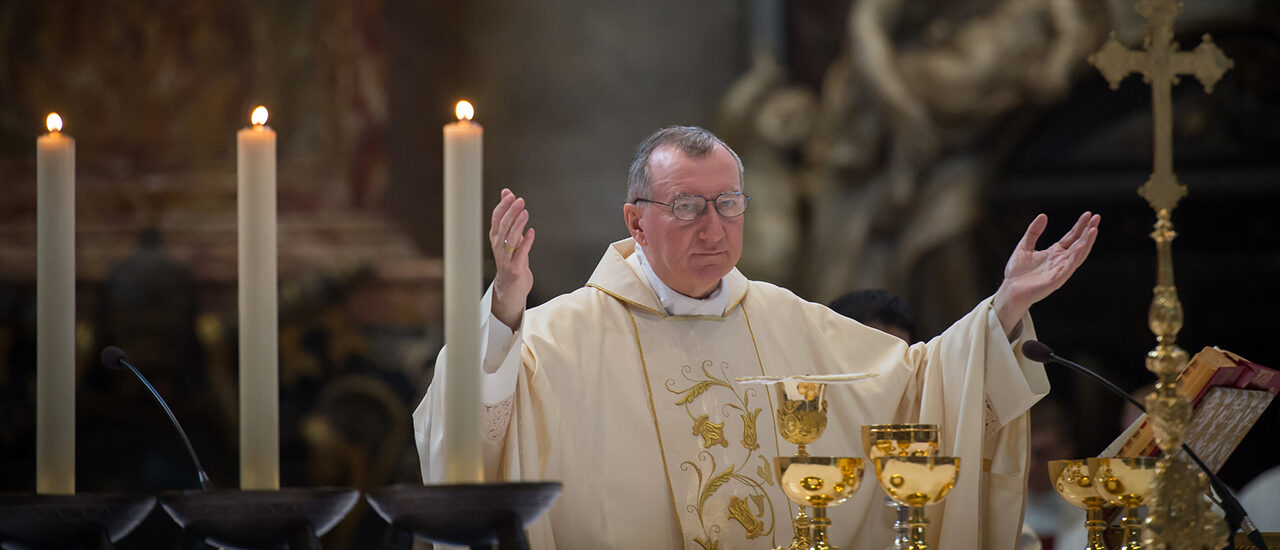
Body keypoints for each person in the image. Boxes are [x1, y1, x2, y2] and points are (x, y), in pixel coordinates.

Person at [415, 126, 1100, 549]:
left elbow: (918, 387)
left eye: (729, 204)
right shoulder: (560, 336)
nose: (713, 228)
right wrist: (505, 302)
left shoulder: (788, 320)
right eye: (686, 207)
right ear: (636, 219)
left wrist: (1007, 302)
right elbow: (473, 432)